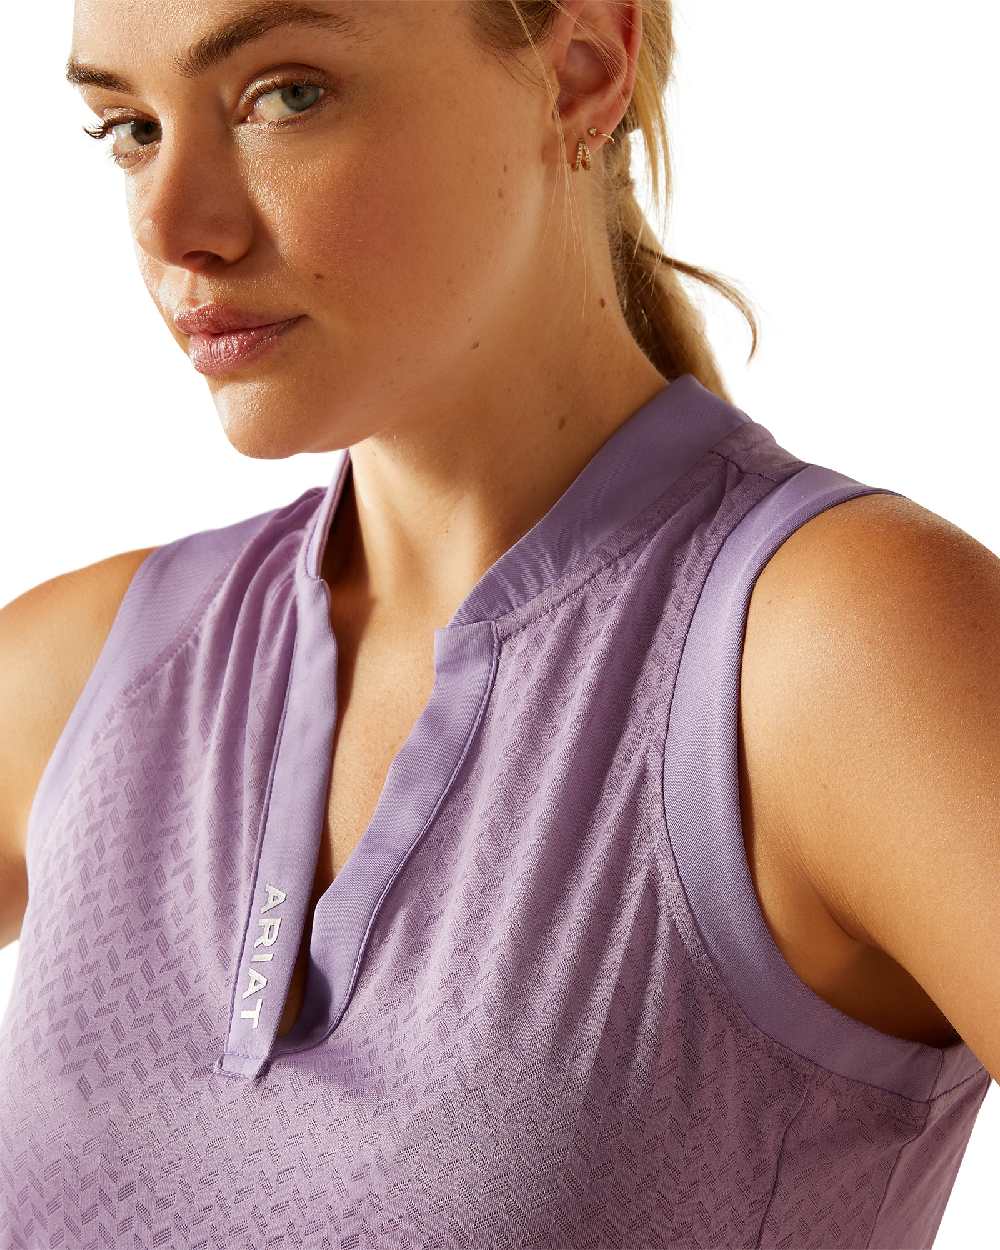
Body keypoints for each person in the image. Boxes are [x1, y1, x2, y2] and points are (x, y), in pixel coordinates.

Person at [1, 2, 996, 1246]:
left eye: (287, 94)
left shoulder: (837, 656)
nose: (171, 227)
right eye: (131, 128)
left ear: (579, 70)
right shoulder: (84, 676)